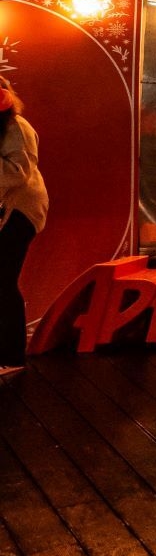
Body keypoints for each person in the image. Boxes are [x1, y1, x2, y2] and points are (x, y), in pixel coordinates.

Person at [0, 75, 50, 379]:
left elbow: (17, 173)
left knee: (2, 282)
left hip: (19, 212)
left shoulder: (17, 127)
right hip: (5, 212)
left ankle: (11, 355)